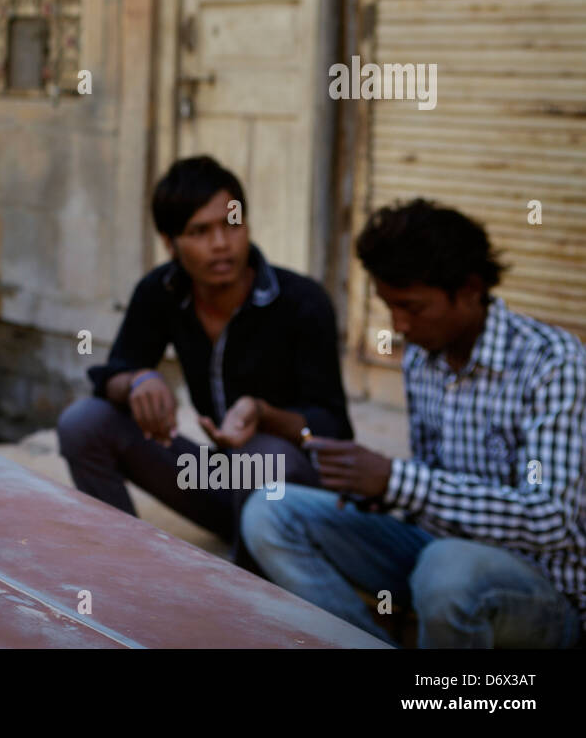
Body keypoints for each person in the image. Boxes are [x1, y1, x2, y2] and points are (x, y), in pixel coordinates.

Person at [242, 200, 586, 647]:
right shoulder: (422, 358)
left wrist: (397, 481)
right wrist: (380, 496)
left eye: (412, 308)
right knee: (270, 510)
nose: (398, 325)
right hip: (434, 556)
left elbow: (551, 518)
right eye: (389, 307)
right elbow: (435, 481)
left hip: (541, 595)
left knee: (449, 568)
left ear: (469, 289)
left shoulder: (553, 364)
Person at [58, 156, 351, 565]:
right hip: (222, 482)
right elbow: (111, 375)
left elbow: (333, 427)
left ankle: (244, 597)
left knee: (261, 456)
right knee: (84, 423)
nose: (220, 243)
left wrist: (263, 414)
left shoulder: (302, 302)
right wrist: (139, 381)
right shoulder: (161, 291)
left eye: (231, 225)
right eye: (200, 231)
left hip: (294, 496)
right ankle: (126, 568)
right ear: (169, 241)